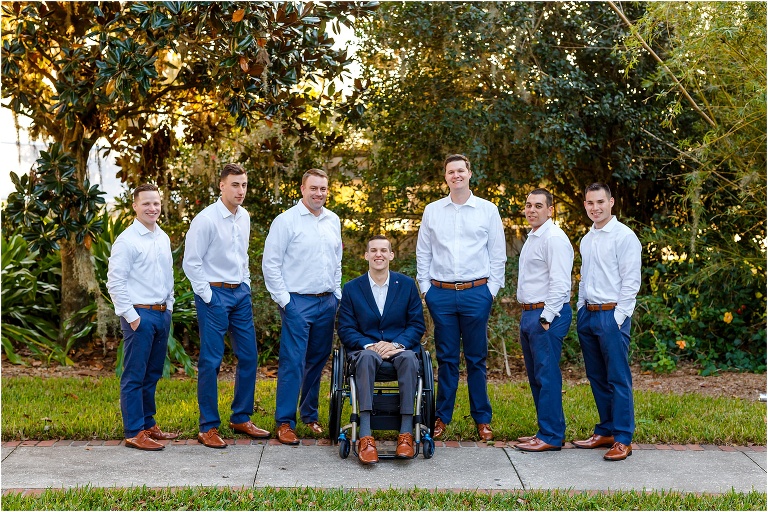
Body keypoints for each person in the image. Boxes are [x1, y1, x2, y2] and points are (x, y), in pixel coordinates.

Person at [416, 154, 507, 441]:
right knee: (447, 359)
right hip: (440, 294)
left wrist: (491, 291)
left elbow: (498, 254)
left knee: (477, 358)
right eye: (450, 171)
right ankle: (442, 417)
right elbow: (424, 253)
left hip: (476, 293)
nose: (456, 175)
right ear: (445, 177)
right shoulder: (432, 211)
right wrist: (426, 289)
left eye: (461, 170)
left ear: (469, 173)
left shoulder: (487, 210)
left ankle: (482, 419)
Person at [183, 163, 270, 449]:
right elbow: (191, 262)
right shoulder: (206, 219)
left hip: (239, 295)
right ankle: (208, 426)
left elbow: (241, 255)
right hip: (214, 295)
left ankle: (241, 417)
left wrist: (244, 284)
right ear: (222, 186)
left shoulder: (243, 217)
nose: (241, 190)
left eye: (244, 185)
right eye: (235, 185)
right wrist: (208, 296)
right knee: (211, 361)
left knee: (249, 356)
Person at [262, 168, 343, 445]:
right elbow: (270, 264)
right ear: (302, 189)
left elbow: (337, 261)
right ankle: (285, 422)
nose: (319, 193)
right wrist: (286, 301)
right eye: (314, 188)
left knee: (317, 361)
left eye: (323, 188)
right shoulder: (286, 221)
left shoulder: (333, 220)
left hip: (327, 302)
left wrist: (337, 294)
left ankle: (309, 415)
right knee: (292, 363)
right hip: (297, 301)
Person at [337, 235, 426, 464]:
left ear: (391, 255)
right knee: (366, 358)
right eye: (374, 250)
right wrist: (371, 346)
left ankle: (406, 435)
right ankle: (365, 437)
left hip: (400, 350)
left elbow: (417, 325)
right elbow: (345, 329)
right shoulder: (352, 288)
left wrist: (395, 345)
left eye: (384, 250)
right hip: (365, 352)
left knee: (409, 358)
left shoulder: (406, 285)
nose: (379, 254)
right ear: (366, 255)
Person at [573, 182, 642, 461]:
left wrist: (619, 317)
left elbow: (631, 281)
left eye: (600, 202)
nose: (595, 208)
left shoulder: (624, 237)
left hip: (612, 314)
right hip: (589, 314)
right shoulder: (586, 239)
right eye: (590, 203)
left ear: (611, 202)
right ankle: (606, 430)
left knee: (617, 377)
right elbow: (585, 277)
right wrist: (580, 308)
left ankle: (623, 437)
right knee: (597, 377)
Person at [107, 184, 177, 451]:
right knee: (135, 376)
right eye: (146, 203)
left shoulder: (163, 237)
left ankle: (148, 424)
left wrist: (169, 305)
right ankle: (134, 431)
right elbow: (115, 282)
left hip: (161, 314)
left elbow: (167, 275)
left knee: (152, 374)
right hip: (139, 315)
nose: (152, 208)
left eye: (156, 203)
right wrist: (132, 317)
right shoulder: (127, 240)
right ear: (134, 206)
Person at [514, 188, 574, 453]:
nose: (532, 210)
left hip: (547, 314)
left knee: (547, 376)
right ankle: (546, 430)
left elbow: (561, 283)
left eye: (538, 206)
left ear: (550, 209)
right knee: (537, 376)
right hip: (530, 312)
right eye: (528, 205)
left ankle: (551, 435)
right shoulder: (534, 237)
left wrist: (546, 317)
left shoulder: (554, 238)